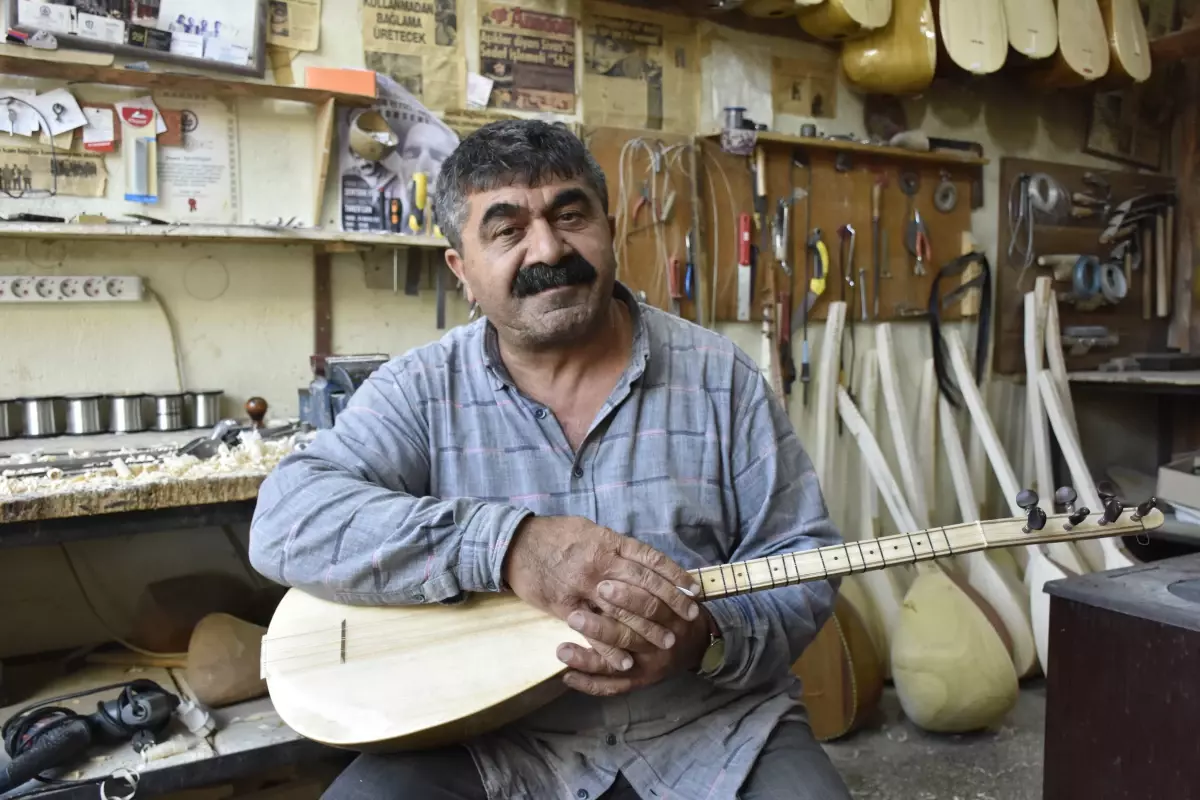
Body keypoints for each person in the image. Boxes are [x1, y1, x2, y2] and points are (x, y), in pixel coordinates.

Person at [248, 119, 851, 800]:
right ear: (463, 270)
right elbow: (286, 521)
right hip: (490, 742)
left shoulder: (721, 377)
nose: (549, 248)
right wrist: (506, 547)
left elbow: (804, 557)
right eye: (507, 231)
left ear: (609, 227)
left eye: (571, 215)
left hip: (713, 731)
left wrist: (710, 638)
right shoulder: (421, 389)